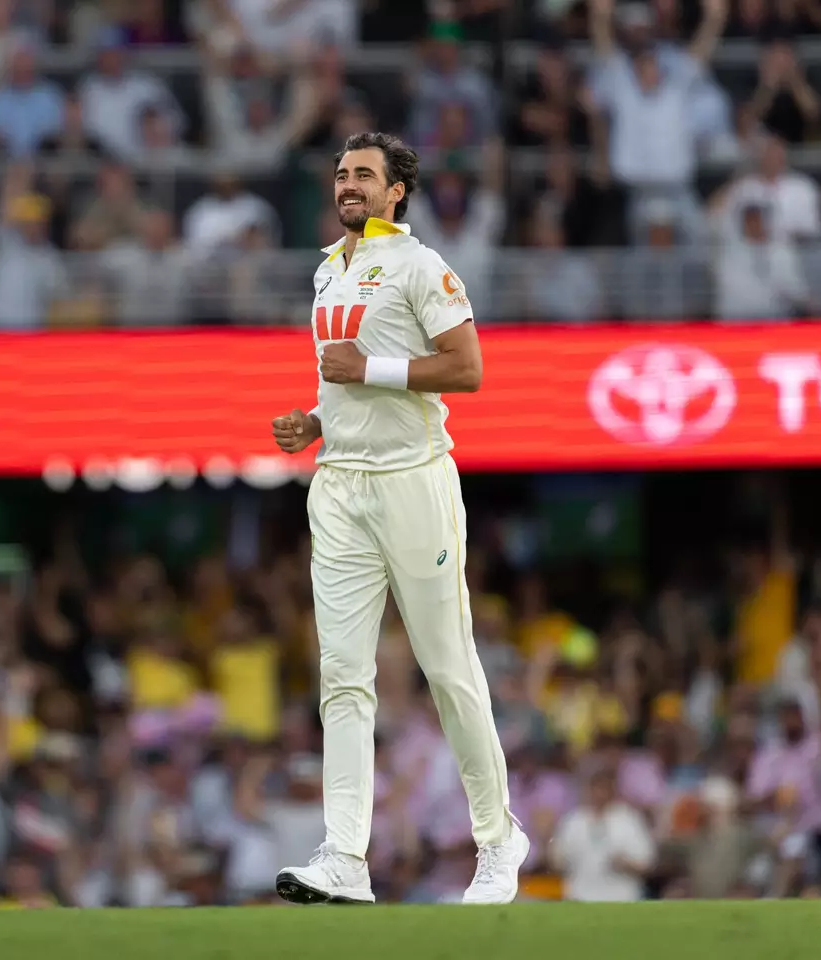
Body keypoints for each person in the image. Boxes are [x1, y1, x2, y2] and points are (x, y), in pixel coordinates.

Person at [268, 131, 526, 906]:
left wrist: (365, 371)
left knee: (448, 669)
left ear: (396, 191)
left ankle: (498, 840)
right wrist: (318, 419)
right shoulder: (328, 269)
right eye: (342, 174)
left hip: (414, 482)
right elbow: (349, 384)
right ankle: (345, 857)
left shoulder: (420, 266)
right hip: (339, 485)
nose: (348, 185)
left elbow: (467, 368)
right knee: (342, 677)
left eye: (364, 176)